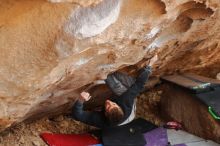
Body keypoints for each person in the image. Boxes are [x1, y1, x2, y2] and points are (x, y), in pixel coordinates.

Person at [72, 55, 158, 128]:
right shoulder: (126, 101)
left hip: (119, 121)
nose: (109, 102)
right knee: (126, 86)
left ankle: (107, 77)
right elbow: (139, 84)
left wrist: (80, 100)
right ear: (119, 106)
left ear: (105, 113)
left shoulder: (100, 120)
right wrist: (150, 65)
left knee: (108, 77)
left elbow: (77, 115)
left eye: (108, 106)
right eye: (113, 104)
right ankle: (110, 76)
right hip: (129, 114)